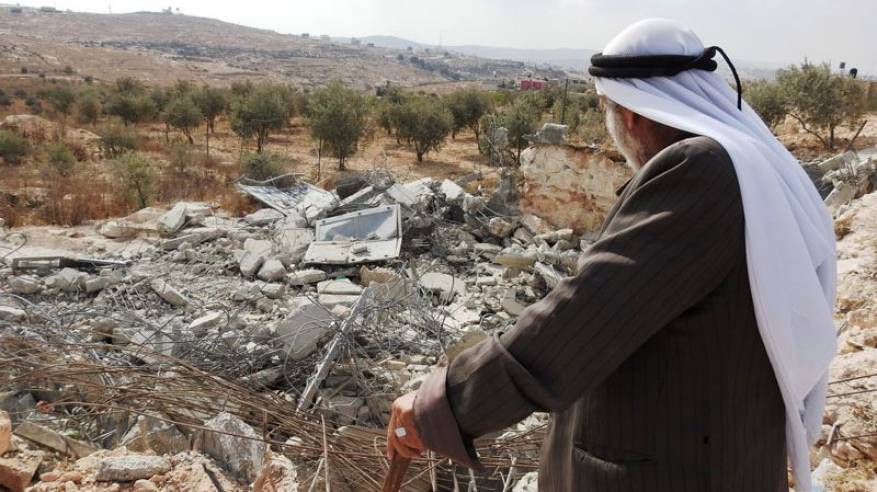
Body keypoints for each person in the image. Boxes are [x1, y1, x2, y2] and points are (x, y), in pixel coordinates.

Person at [387, 18, 837, 492]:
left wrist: (444, 403)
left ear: (631, 114)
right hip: (726, 451)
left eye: (608, 109)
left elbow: (584, 317)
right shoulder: (745, 166)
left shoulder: (699, 171)